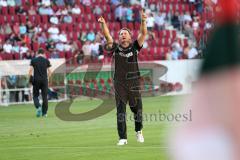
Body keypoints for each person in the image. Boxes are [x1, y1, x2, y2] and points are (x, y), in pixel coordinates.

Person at [98, 9, 147, 146]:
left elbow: (143, 33)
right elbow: (107, 36)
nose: (123, 35)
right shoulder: (115, 48)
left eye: (125, 33)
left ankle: (139, 131)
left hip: (134, 83)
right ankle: (122, 138)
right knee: (121, 111)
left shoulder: (135, 47)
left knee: (137, 110)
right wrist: (103, 24)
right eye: (121, 34)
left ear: (130, 37)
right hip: (119, 84)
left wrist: (143, 20)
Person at [28, 49, 52, 117]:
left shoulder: (33, 60)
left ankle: (38, 106)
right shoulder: (46, 60)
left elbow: (30, 71)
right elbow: (50, 72)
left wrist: (30, 79)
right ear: (43, 53)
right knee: (45, 97)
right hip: (44, 80)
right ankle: (44, 113)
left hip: (36, 80)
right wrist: (47, 79)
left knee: (35, 95)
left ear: (37, 53)